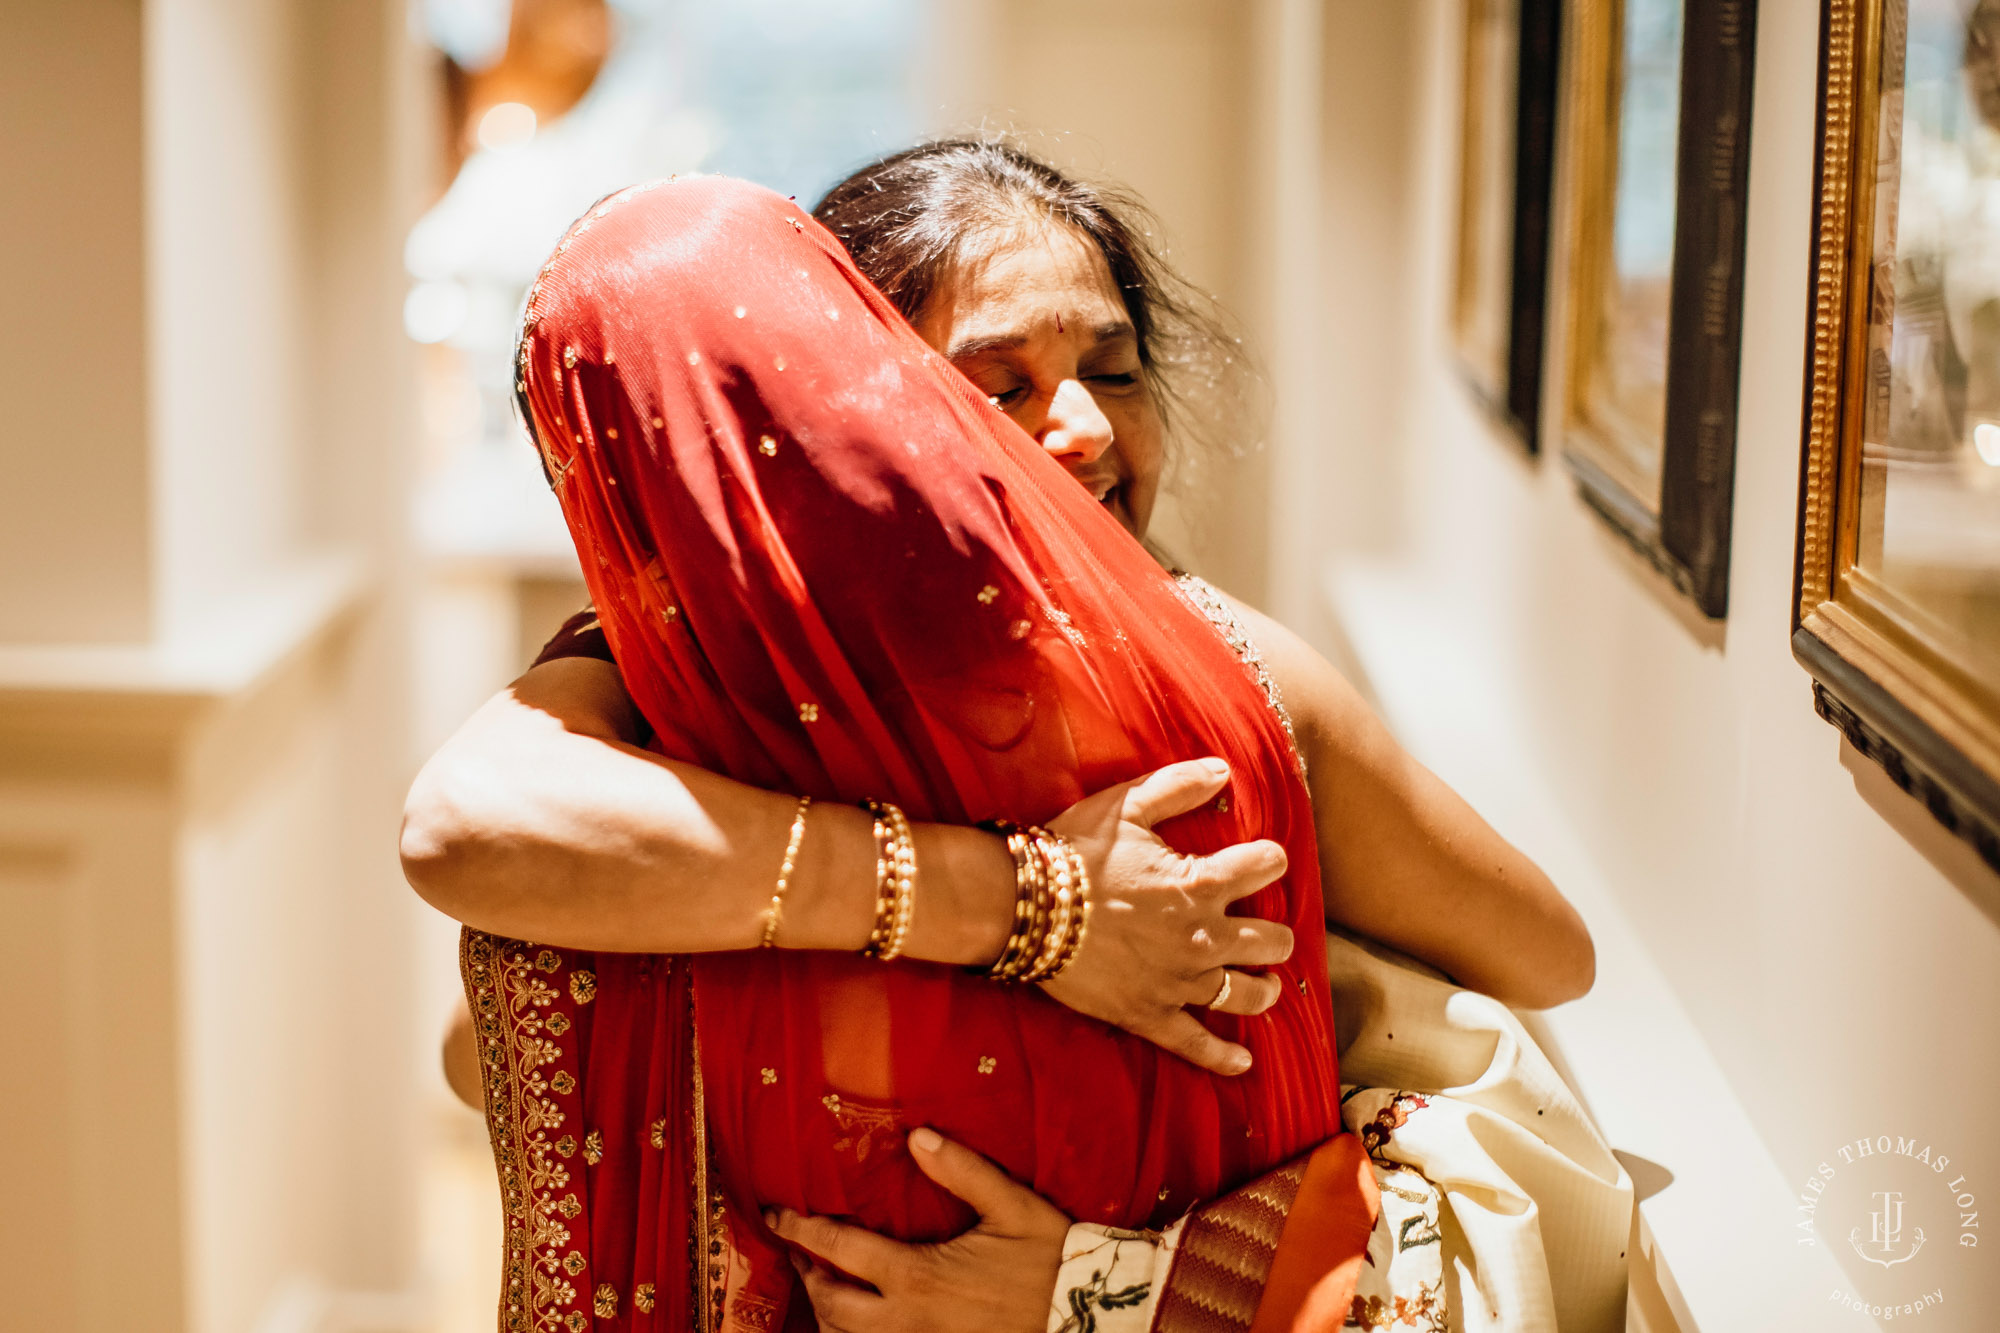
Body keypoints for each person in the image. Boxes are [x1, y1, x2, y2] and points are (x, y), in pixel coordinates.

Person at [406, 144, 1594, 1331]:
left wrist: (1115, 1282)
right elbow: (475, 941)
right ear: (834, 416)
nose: (1080, 425)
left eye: (1115, 370)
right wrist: (1033, 907)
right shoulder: (701, 702)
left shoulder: (1236, 693)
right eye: (999, 387)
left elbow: (1543, 957)